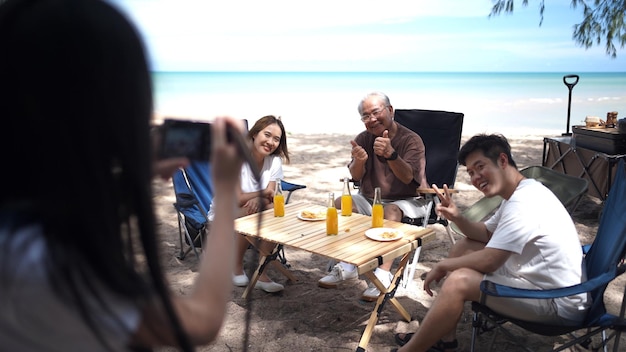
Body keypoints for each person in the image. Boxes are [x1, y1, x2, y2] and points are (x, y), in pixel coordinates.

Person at [0, 0, 245, 350]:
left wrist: (132, 173)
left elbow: (63, 197)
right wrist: (224, 190)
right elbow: (200, 321)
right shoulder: (44, 266)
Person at [392, 134, 588, 352]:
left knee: (459, 281)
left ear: (502, 161)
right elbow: (484, 233)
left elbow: (491, 261)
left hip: (556, 303)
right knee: (465, 246)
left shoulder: (524, 203)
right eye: (471, 173)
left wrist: (443, 265)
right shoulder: (521, 192)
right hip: (536, 280)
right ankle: (445, 339)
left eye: (480, 167)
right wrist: (457, 216)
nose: (476, 178)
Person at [318, 92, 430, 301]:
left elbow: (408, 177)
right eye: (365, 116)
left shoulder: (411, 140)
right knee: (342, 203)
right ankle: (348, 263)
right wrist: (358, 162)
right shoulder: (363, 138)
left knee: (388, 211)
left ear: (390, 110)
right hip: (370, 198)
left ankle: (383, 274)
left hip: (408, 200)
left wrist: (391, 155)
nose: (371, 119)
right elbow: (356, 176)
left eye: (376, 112)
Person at [209, 115, 290, 293]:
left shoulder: (274, 161)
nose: (270, 142)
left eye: (276, 139)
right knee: (253, 212)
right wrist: (261, 195)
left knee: (274, 211)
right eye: (267, 135)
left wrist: (258, 198)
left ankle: (261, 273)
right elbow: (238, 198)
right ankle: (238, 266)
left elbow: (272, 196)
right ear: (254, 134)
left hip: (255, 210)